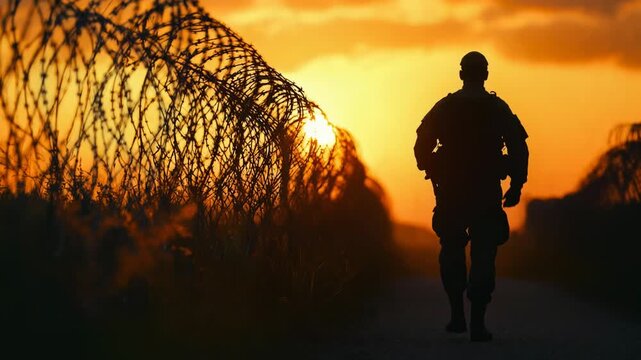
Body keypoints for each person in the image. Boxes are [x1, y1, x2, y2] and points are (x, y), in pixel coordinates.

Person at [413, 51, 529, 342]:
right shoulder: (497, 108)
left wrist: (432, 167)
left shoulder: (445, 107)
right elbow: (518, 148)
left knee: (452, 249)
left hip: (452, 192)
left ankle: (457, 316)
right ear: (486, 75)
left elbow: (421, 144)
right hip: (486, 192)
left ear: (462, 74)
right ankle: (477, 323)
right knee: (484, 254)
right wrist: (516, 185)